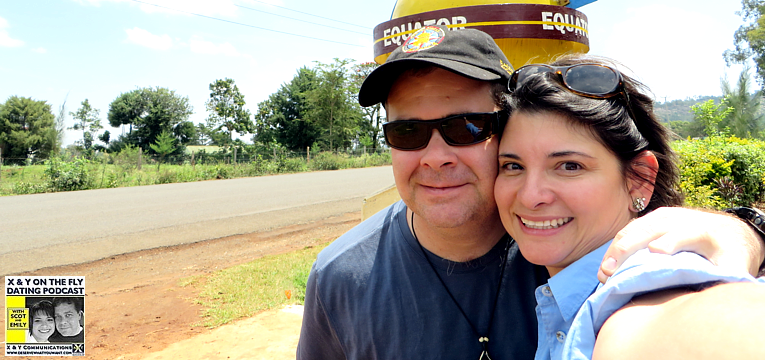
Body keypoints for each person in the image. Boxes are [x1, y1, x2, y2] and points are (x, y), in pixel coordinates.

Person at [296, 25, 765, 360]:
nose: (434, 156)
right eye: (408, 132)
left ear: (504, 130)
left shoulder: (612, 266)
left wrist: (744, 231)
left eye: (465, 127)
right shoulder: (341, 276)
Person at [493, 54, 765, 360]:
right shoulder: (555, 292)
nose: (531, 196)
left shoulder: (643, 283)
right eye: (513, 166)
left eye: (570, 166)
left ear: (639, 179)